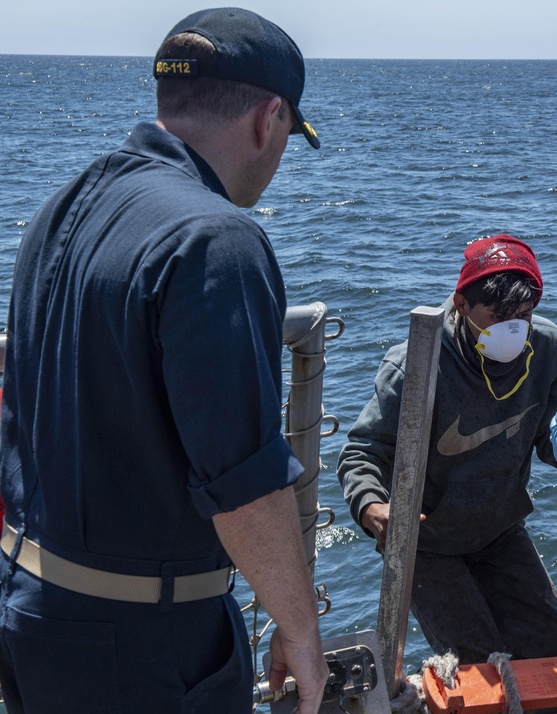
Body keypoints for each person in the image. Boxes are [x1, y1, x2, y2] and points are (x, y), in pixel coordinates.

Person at [0, 8, 328, 713]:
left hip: (31, 618)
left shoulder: (61, 210)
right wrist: (299, 629)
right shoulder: (215, 239)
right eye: (288, 139)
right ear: (269, 119)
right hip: (142, 646)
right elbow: (243, 481)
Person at [338, 235, 557, 664]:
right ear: (461, 305)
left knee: (554, 646)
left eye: (524, 315)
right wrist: (371, 505)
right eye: (499, 316)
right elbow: (363, 451)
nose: (514, 328)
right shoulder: (414, 364)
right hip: (427, 542)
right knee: (476, 662)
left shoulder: (548, 349)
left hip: (499, 530)